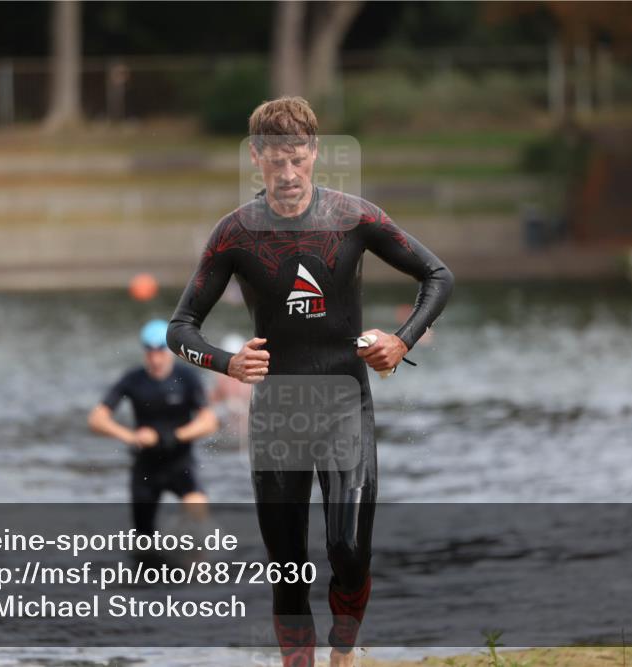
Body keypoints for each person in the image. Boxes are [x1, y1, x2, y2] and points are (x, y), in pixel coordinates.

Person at [167, 97, 453, 667]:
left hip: (347, 403)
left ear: (315, 154)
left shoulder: (354, 218)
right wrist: (227, 363)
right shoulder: (235, 234)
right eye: (276, 161)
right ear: (256, 158)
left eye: (298, 159)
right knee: (288, 563)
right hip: (278, 413)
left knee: (347, 549)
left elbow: (437, 276)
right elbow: (180, 330)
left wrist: (401, 341)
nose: (289, 174)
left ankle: (344, 650)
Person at [88, 319, 219, 536]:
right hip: (146, 466)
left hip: (180, 462)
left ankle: (199, 562)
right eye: (149, 350)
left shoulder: (186, 378)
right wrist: (131, 436)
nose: (155, 357)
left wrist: (172, 436)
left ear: (170, 351)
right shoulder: (133, 379)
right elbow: (96, 419)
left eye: (160, 350)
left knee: (199, 517)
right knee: (143, 538)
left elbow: (209, 422)